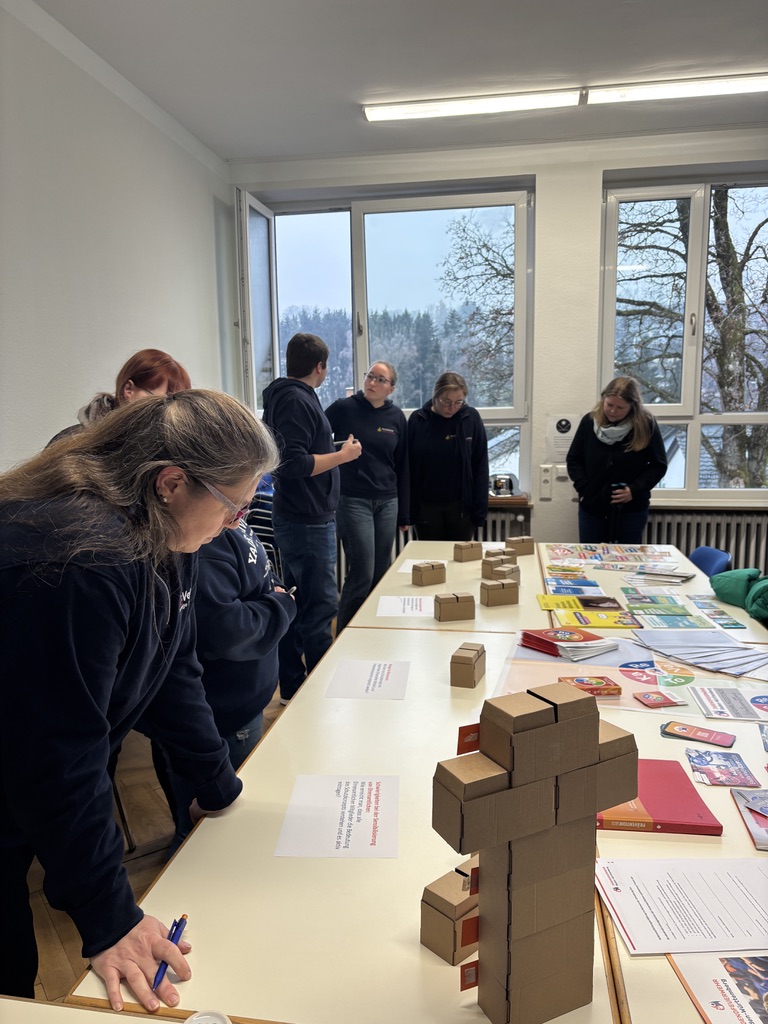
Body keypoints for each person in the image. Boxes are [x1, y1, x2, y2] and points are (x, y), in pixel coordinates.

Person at [0, 389, 275, 1013]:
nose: (238, 526)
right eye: (236, 507)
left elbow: (171, 670)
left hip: (21, 778)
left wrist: (214, 780)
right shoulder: (82, 559)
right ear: (171, 482)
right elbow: (59, 751)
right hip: (16, 773)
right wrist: (110, 919)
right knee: (10, 978)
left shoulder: (159, 535)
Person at [162, 514, 297, 845]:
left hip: (245, 701)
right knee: (211, 831)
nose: (244, 509)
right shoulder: (201, 541)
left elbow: (261, 573)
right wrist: (280, 604)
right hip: (220, 716)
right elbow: (227, 631)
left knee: (228, 816)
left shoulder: (229, 520)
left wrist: (273, 593)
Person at [262, 333, 362, 701]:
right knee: (319, 607)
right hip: (306, 519)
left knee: (301, 601)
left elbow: (301, 450)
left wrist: (335, 449)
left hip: (303, 516)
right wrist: (344, 456)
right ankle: (315, 692)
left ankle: (295, 686)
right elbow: (292, 464)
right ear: (320, 366)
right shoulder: (293, 399)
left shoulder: (291, 396)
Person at [325, 362, 410, 632]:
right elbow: (316, 437)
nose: (372, 382)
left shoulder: (396, 417)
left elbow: (403, 464)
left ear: (391, 388)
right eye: (370, 376)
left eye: (380, 379)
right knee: (362, 572)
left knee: (381, 571)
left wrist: (405, 512)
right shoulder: (343, 408)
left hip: (388, 501)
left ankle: (373, 632)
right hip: (353, 500)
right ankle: (346, 634)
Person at [566, 376, 668, 543]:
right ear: (603, 400)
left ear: (632, 407)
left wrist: (633, 489)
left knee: (626, 561)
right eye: (609, 405)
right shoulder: (589, 422)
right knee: (591, 559)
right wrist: (584, 490)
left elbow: (658, 465)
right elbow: (574, 459)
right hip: (593, 506)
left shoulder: (645, 424)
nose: (613, 411)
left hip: (631, 509)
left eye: (620, 407)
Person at [407, 371, 489, 541]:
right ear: (435, 396)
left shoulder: (470, 418)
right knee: (431, 563)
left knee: (460, 562)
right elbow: (408, 468)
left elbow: (480, 464)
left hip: (461, 508)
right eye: (446, 402)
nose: (452, 408)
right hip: (426, 507)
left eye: (458, 402)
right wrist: (407, 511)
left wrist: (480, 510)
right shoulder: (418, 420)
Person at [49, 348, 192, 443]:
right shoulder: (72, 443)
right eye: (160, 401)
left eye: (175, 404)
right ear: (129, 390)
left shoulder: (164, 456)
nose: (168, 412)